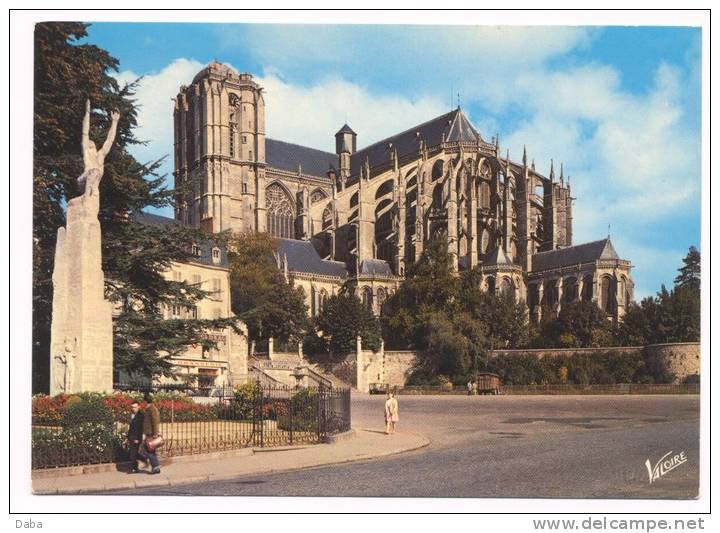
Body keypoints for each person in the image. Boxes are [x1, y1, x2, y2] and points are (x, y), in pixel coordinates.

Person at [142, 393, 162, 474]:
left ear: (146, 401)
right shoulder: (148, 408)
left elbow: (155, 421)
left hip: (151, 433)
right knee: (150, 450)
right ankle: (155, 467)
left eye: (144, 401)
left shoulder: (152, 409)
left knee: (148, 450)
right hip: (148, 432)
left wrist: (155, 433)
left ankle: (155, 466)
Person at [127, 401, 145, 473]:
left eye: (135, 407)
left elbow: (140, 428)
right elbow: (131, 428)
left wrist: (137, 438)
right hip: (131, 436)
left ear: (139, 407)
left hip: (136, 437)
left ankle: (134, 468)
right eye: (132, 407)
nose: (133, 408)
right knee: (133, 453)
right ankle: (136, 466)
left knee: (133, 453)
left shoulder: (141, 415)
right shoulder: (131, 415)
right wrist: (127, 437)